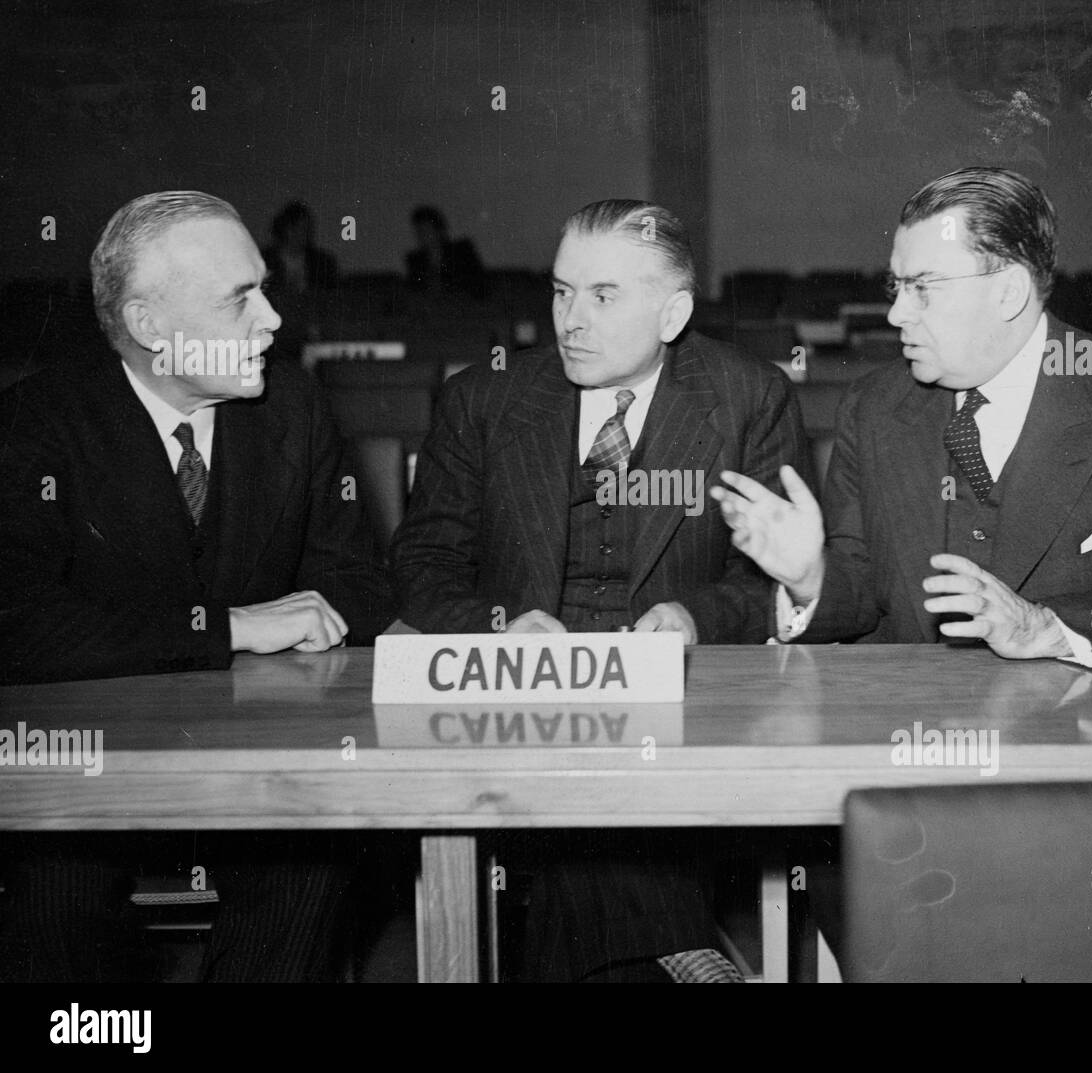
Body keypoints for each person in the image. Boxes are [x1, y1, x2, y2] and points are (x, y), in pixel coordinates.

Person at [392, 198, 811, 980]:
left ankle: (656, 949)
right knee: (574, 771)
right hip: (521, 698)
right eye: (560, 292)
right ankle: (679, 945)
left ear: (673, 312)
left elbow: (774, 582)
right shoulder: (481, 401)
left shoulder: (749, 397)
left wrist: (693, 616)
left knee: (591, 799)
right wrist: (498, 624)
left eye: (603, 295)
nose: (570, 321)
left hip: (686, 706)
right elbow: (422, 562)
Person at [0, 190, 394, 981]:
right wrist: (228, 628)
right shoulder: (38, 424)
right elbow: (18, 622)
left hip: (260, 767)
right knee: (51, 899)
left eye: (265, 289)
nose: (273, 320)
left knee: (312, 861)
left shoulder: (295, 408)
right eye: (239, 298)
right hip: (90, 775)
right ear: (150, 327)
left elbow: (358, 581)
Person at [713, 167, 1092, 671]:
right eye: (897, 287)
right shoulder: (875, 406)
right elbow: (864, 594)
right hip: (907, 726)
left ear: (1009, 292)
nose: (896, 313)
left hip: (1069, 732)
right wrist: (809, 578)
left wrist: (1045, 627)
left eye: (923, 288)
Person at [404, 204, 486, 300]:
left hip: (460, 303)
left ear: (439, 230)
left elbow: (476, 283)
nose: (422, 235)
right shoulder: (415, 260)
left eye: (426, 230)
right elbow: (415, 290)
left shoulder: (461, 251)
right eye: (419, 231)